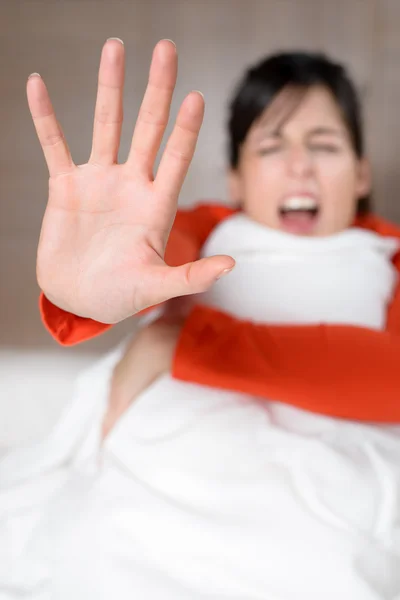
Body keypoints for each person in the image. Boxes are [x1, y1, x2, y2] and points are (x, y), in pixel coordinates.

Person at [1, 39, 400, 599]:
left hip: (321, 484)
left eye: (324, 144)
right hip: (175, 454)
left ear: (361, 174)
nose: (299, 166)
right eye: (270, 147)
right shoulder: (200, 230)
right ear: (235, 179)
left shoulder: (389, 257)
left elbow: (391, 379)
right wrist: (86, 300)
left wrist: (182, 344)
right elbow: (139, 269)